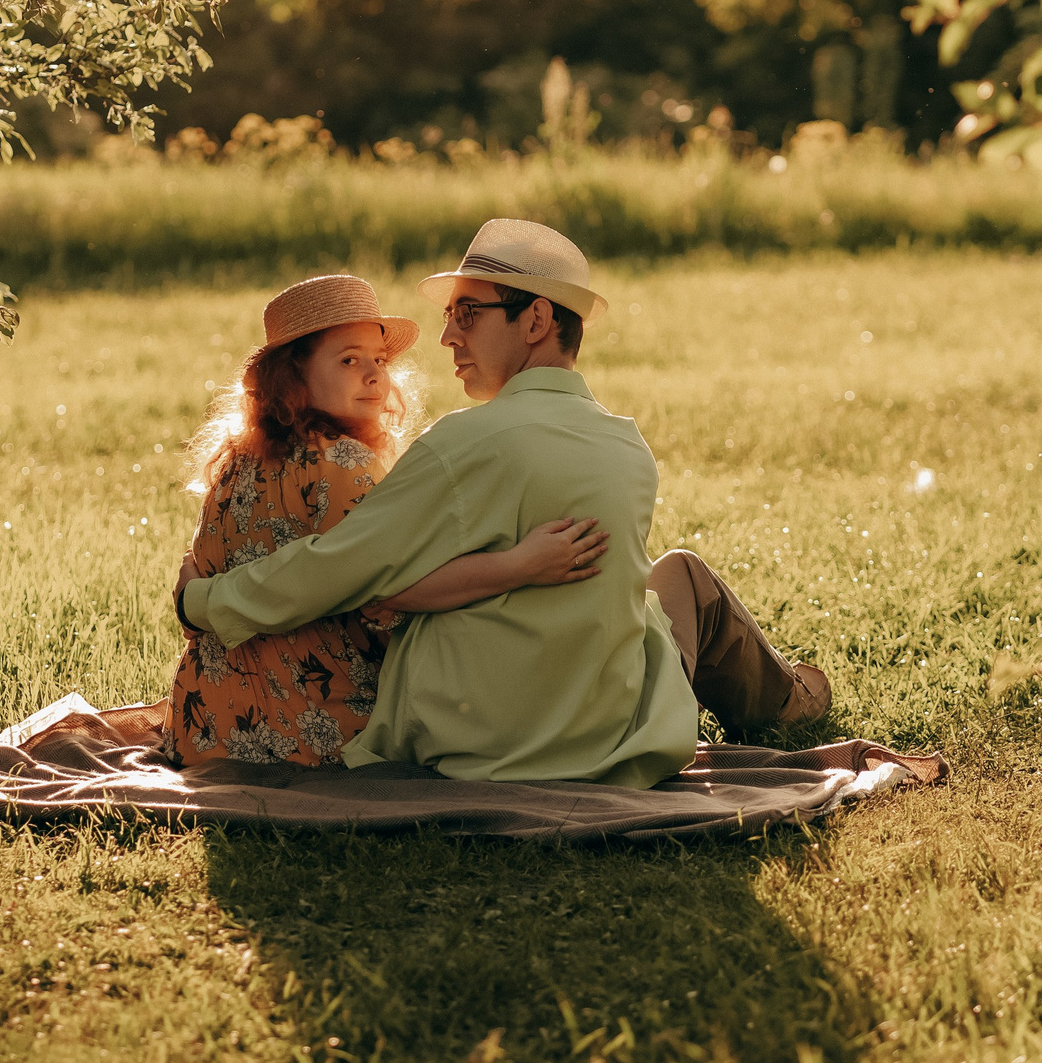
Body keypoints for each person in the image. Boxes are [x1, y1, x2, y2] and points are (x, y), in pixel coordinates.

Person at [178, 219, 829, 786]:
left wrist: (203, 600)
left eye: (469, 314)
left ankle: (795, 695)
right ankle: (795, 698)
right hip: (605, 736)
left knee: (668, 585)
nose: (447, 337)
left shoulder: (458, 446)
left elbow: (336, 567)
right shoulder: (630, 450)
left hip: (474, 739)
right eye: (448, 318)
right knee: (679, 578)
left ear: (538, 320)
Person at [163, 273, 613, 767]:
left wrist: (199, 602)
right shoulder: (343, 464)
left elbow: (202, 564)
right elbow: (388, 594)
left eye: (380, 361)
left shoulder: (232, 463)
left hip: (203, 721)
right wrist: (518, 567)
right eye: (350, 360)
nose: (376, 376)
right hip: (308, 729)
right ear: (292, 377)